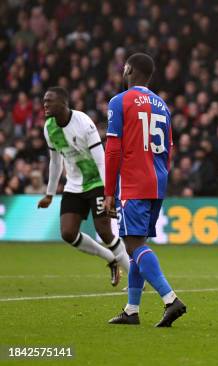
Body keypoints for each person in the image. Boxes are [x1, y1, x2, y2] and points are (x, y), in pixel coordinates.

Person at [104, 53, 186, 327]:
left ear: (129, 70)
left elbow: (113, 148)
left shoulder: (120, 101)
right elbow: (170, 149)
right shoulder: (163, 105)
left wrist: (108, 191)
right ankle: (132, 310)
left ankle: (170, 298)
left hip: (132, 181)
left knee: (133, 244)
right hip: (157, 181)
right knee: (137, 246)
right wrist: (161, 177)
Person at [38, 86, 129, 287]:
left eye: (49, 100)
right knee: (68, 233)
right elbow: (55, 161)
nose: (45, 104)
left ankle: (135, 279)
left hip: (96, 181)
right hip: (73, 185)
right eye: (44, 100)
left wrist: (108, 193)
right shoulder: (49, 128)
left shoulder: (83, 123)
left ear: (63, 103)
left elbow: (100, 160)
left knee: (104, 231)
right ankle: (111, 259)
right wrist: (49, 194)